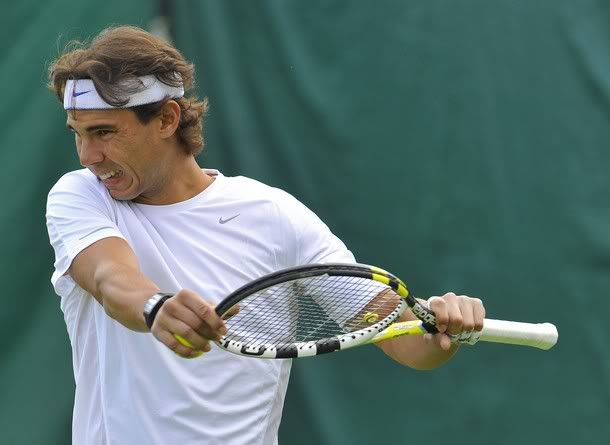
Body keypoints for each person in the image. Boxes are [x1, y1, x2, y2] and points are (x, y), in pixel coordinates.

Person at [46, 25, 485, 445]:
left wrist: (443, 328)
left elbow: (408, 344)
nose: (89, 156)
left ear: (166, 119)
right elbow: (108, 276)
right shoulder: (81, 195)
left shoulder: (275, 217)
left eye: (104, 132)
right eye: (79, 135)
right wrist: (154, 305)